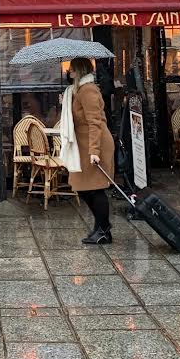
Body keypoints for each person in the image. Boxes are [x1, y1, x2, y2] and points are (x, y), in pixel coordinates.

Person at [65, 57, 116, 245]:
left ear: (79, 71)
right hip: (85, 145)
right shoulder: (79, 91)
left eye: (71, 69)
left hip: (95, 146)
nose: (68, 72)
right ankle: (101, 227)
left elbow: (95, 122)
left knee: (95, 189)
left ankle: (103, 229)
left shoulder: (88, 91)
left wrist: (95, 151)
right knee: (83, 188)